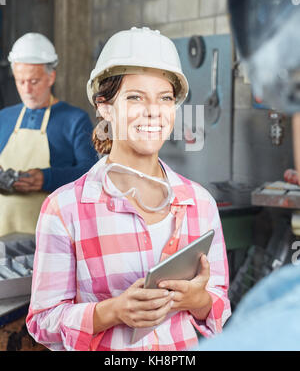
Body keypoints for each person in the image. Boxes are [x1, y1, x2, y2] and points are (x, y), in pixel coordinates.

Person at [25, 26, 231, 351]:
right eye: (135, 97)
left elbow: (219, 304)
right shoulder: (65, 209)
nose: (153, 111)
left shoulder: (199, 203)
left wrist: (198, 299)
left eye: (165, 98)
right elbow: (42, 322)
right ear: (105, 106)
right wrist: (112, 311)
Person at [0, 32, 98, 236]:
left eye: (34, 81)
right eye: (20, 81)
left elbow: (91, 175)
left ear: (50, 77)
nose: (26, 89)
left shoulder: (75, 119)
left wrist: (47, 178)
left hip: (50, 237)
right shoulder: (4, 117)